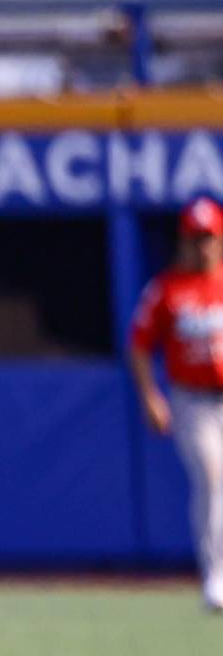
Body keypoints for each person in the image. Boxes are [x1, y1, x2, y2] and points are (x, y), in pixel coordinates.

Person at [129, 196, 223, 613]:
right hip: (192, 400)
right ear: (184, 240)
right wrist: (151, 395)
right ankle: (216, 575)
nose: (202, 246)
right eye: (195, 238)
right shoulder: (167, 288)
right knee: (212, 476)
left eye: (209, 237)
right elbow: (139, 344)